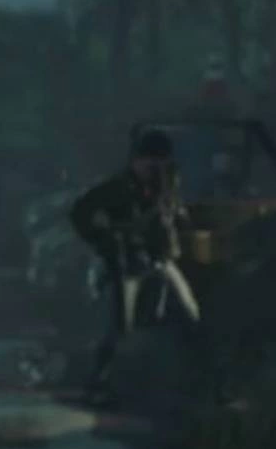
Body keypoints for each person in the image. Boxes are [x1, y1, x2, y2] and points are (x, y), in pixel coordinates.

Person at [69, 129, 201, 402]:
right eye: (150, 162)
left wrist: (176, 214)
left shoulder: (165, 186)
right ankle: (99, 383)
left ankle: (190, 381)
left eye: (160, 162)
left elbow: (176, 216)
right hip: (127, 263)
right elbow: (81, 212)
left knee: (190, 314)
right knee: (121, 328)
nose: (155, 168)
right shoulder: (118, 188)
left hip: (160, 260)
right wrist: (104, 239)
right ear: (137, 161)